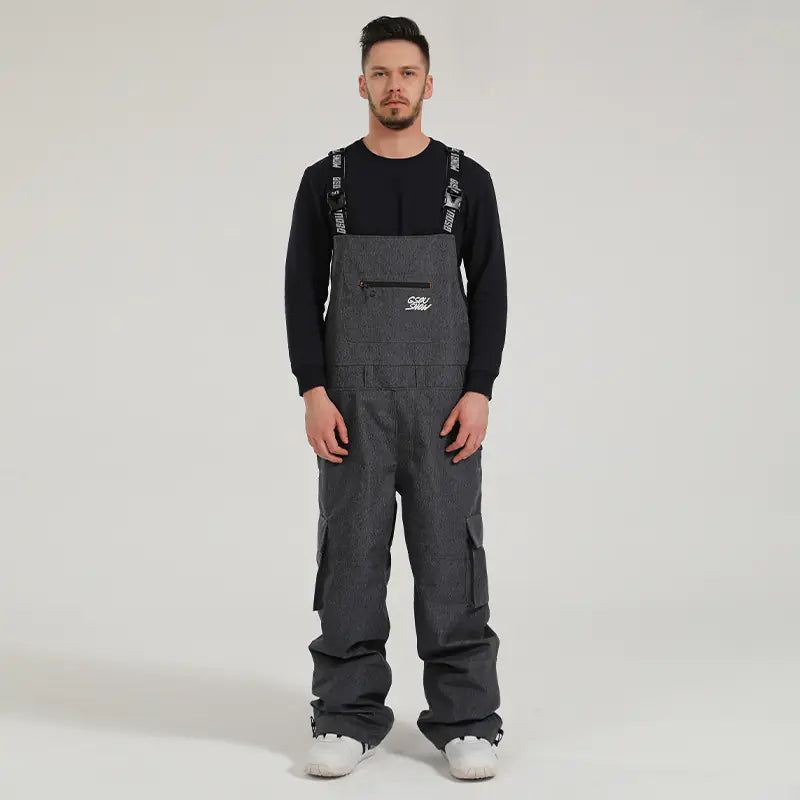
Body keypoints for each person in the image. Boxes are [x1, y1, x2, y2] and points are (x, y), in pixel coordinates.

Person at [284, 16, 508, 780]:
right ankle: (346, 716)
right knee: (350, 559)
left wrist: (479, 391)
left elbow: (492, 292)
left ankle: (467, 722)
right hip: (352, 407)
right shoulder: (326, 182)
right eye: (380, 73)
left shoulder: (467, 183)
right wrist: (313, 391)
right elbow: (300, 292)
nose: (394, 86)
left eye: (407, 73)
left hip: (445, 408)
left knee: (451, 561)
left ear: (428, 84)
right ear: (362, 84)